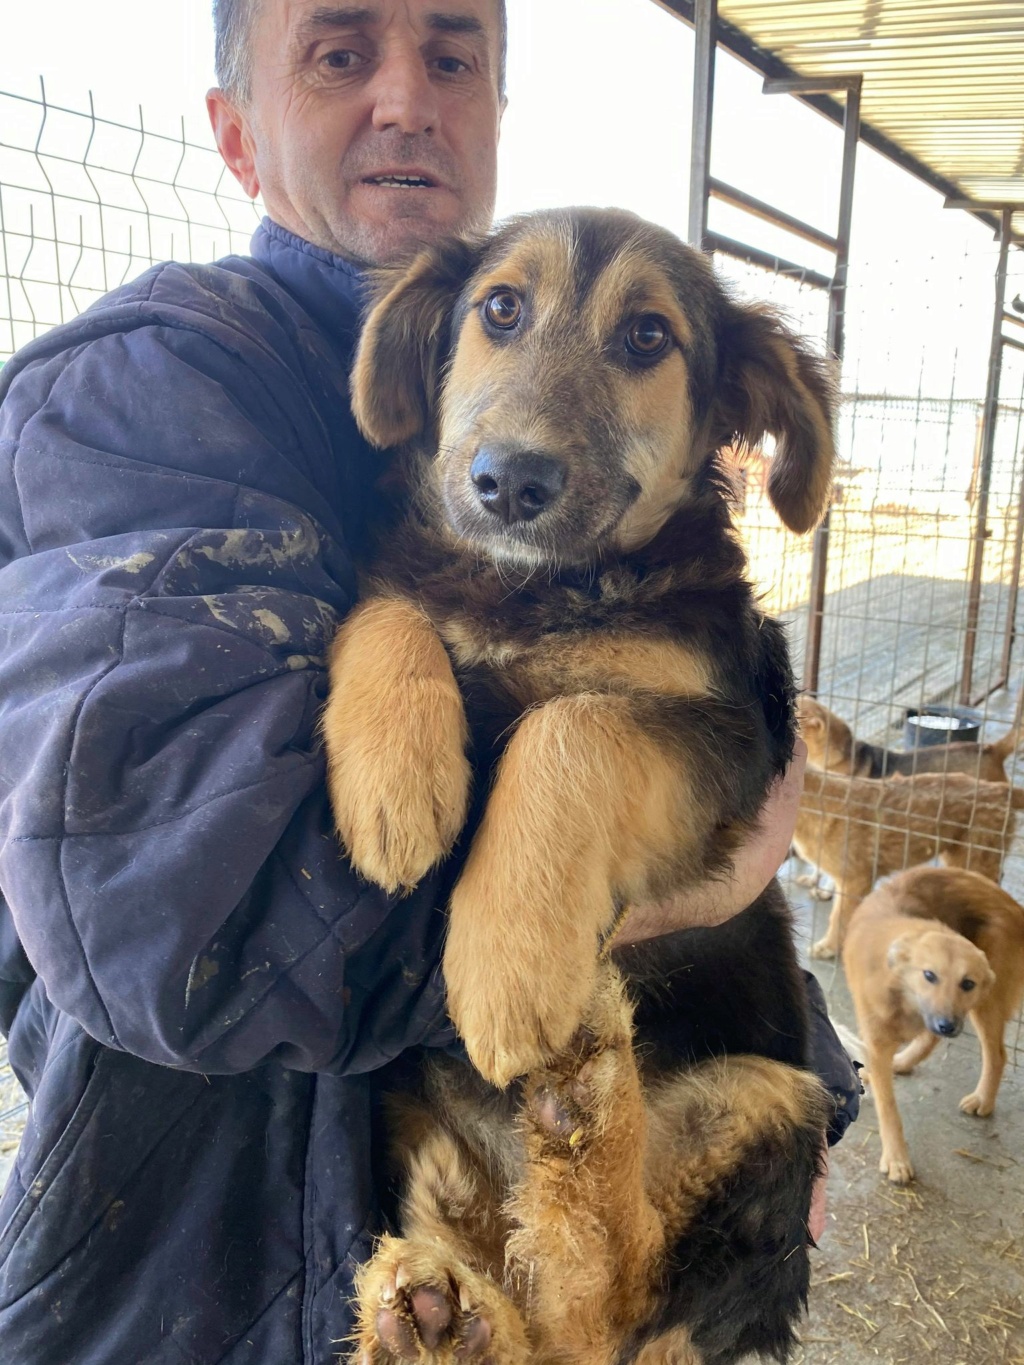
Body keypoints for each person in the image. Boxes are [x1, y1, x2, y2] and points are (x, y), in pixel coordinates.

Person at [0, 2, 856, 1360]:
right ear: (234, 130)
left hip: (610, 1169)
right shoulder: (146, 385)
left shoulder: (650, 575)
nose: (408, 97)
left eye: (453, 56)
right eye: (340, 54)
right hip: (207, 1279)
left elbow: (698, 761)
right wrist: (697, 867)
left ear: (495, 115)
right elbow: (175, 900)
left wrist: (792, 1099)